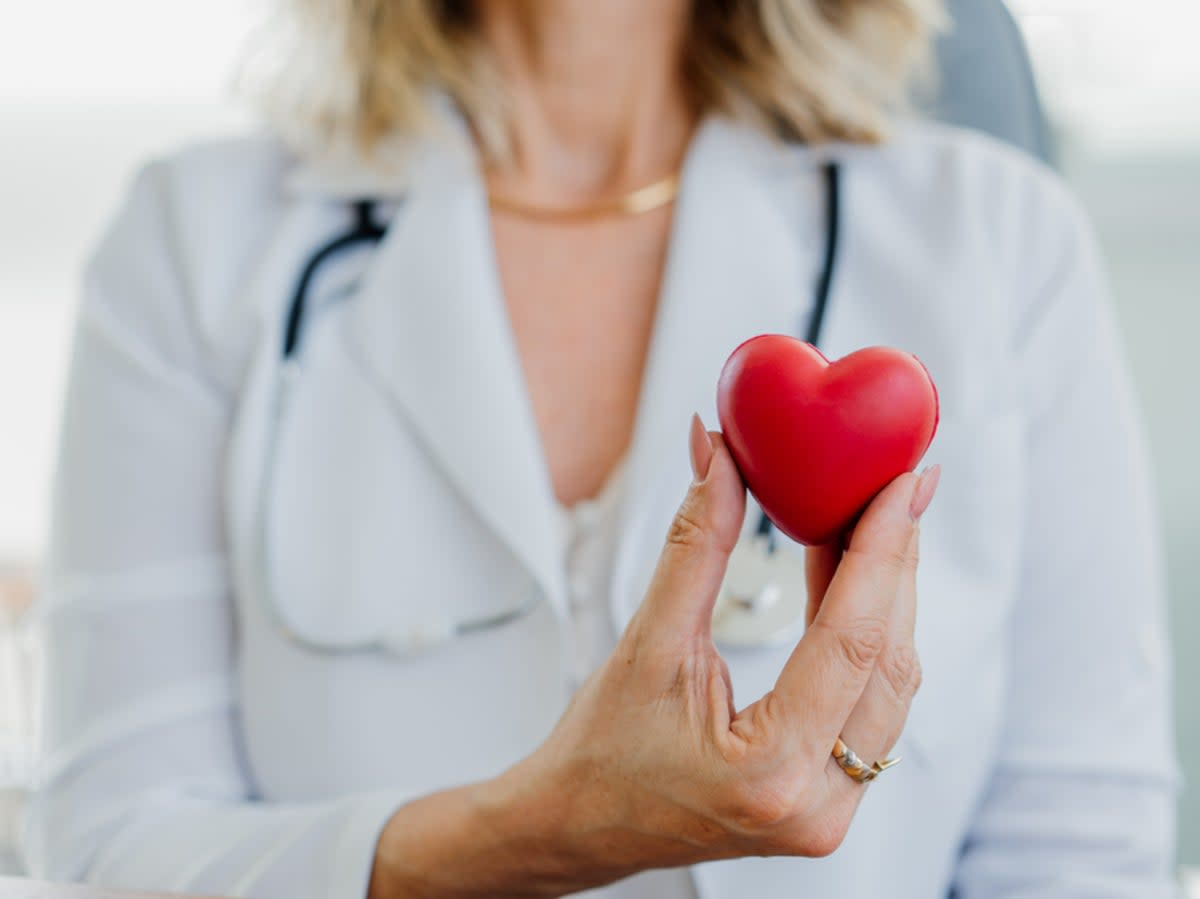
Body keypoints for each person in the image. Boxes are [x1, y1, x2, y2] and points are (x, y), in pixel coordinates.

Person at [25, 1, 1178, 896]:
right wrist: (533, 832)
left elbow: (1080, 855)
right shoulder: (192, 245)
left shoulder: (998, 241)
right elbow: (109, 851)